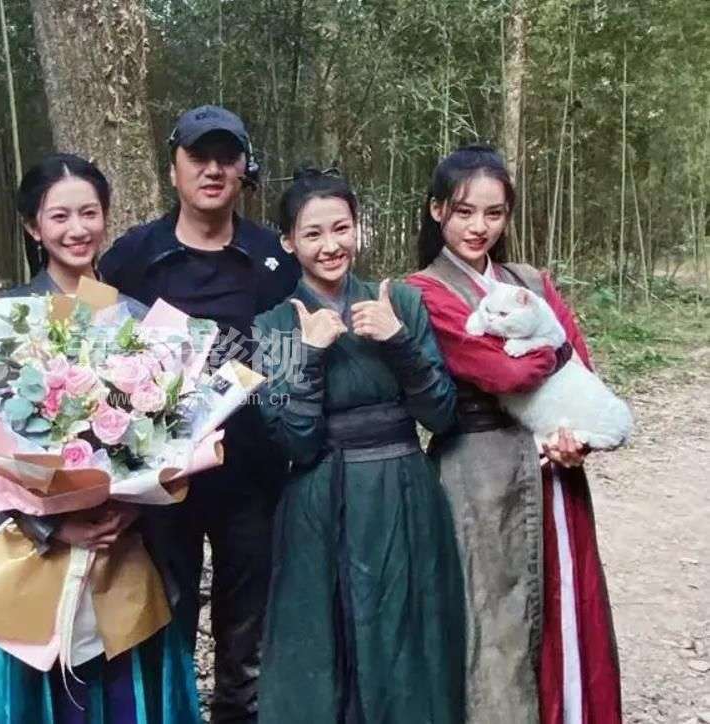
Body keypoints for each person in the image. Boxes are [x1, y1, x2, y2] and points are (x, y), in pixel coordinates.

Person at [0, 153, 199, 723]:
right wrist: (53, 523)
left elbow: (172, 437)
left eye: (89, 213)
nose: (77, 229)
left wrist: (133, 506)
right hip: (38, 556)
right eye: (60, 216)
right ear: (33, 227)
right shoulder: (0, 321)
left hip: (124, 550)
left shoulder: (139, 321)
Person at [405, 145, 622, 724]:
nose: (479, 227)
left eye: (494, 213)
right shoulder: (423, 291)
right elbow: (503, 373)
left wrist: (576, 439)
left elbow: (583, 373)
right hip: (476, 474)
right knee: (488, 618)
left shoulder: (530, 281)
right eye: (464, 211)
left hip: (554, 465)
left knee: (563, 605)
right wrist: (551, 348)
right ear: (436, 210)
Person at [98, 105, 299, 722]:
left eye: (226, 158)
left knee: (248, 630)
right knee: (168, 619)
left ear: (243, 169)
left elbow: (292, 360)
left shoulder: (274, 257)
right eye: (198, 157)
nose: (213, 170)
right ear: (174, 168)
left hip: (254, 476)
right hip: (165, 481)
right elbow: (101, 355)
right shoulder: (133, 256)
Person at [253, 168, 465, 723]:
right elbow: (295, 442)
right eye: (313, 233)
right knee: (325, 650)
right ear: (288, 242)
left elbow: (441, 414)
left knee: (408, 643)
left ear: (357, 228)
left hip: (404, 493)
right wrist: (309, 355)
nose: (331, 246)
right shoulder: (273, 325)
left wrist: (399, 341)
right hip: (319, 501)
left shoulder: (401, 302)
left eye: (341, 228)